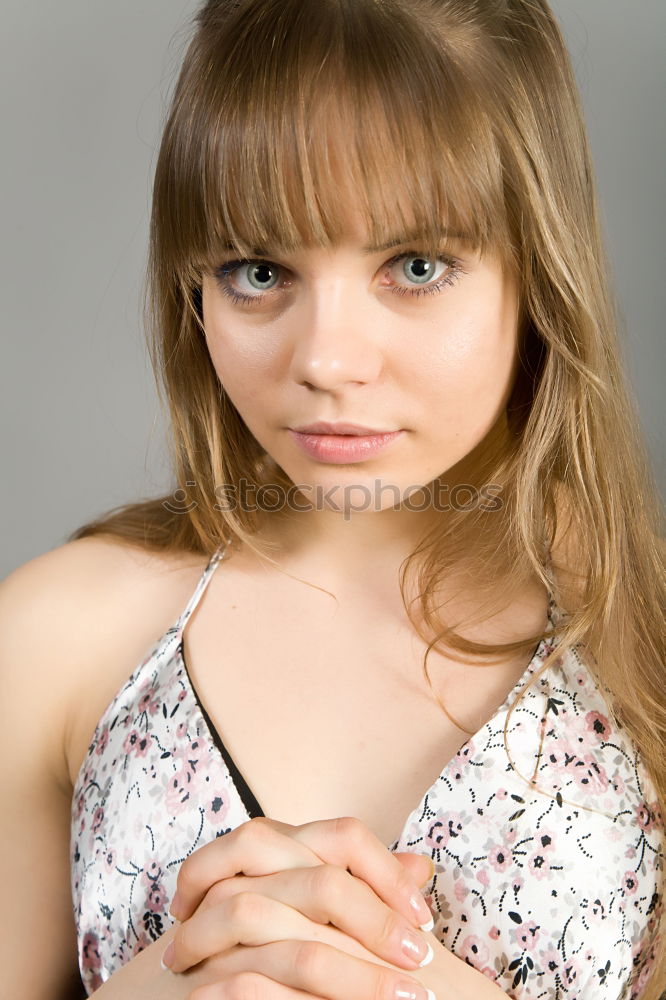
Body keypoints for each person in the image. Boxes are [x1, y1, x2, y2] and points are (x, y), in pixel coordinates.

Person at [2, 0, 664, 997]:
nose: (325, 360)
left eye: (417, 266)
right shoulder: (52, 638)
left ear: (539, 269)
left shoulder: (645, 636)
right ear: (195, 289)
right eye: (258, 271)